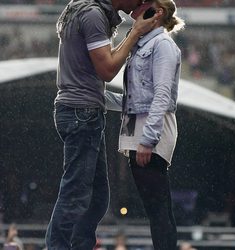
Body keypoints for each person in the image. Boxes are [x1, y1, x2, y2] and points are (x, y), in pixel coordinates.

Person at [45, 0, 161, 249]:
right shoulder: (93, 15)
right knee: (75, 195)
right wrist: (135, 32)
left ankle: (79, 245)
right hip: (81, 114)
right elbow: (107, 70)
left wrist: (131, 102)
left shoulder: (85, 9)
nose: (141, 3)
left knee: (97, 198)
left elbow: (93, 80)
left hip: (82, 111)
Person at [106, 0, 185, 249]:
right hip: (140, 130)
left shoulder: (161, 45)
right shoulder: (143, 44)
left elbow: (161, 94)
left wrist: (148, 139)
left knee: (158, 209)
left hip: (150, 133)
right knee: (156, 208)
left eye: (144, 5)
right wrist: (96, 96)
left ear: (156, 12)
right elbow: (135, 98)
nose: (136, 7)